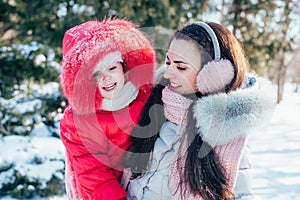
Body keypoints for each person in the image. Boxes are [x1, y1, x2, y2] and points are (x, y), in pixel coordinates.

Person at [122, 21, 276, 199]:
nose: (167, 74)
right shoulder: (152, 109)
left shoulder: (228, 140)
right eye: (168, 62)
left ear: (214, 75)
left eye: (181, 67)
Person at [59, 18, 156, 200]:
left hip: (144, 181)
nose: (107, 78)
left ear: (124, 67)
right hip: (108, 190)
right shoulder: (79, 122)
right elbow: (94, 176)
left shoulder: (142, 93)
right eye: (96, 74)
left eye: (112, 67)